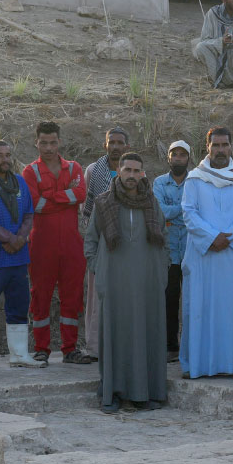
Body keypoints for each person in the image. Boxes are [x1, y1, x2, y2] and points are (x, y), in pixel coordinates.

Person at [83, 152, 168, 413]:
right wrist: (100, 268)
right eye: (127, 170)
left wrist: (159, 273)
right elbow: (91, 241)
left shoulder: (152, 204)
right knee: (116, 335)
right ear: (118, 172)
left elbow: (162, 240)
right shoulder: (104, 202)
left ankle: (145, 392)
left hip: (146, 284)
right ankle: (114, 392)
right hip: (115, 283)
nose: (132, 175)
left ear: (143, 174)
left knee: (146, 334)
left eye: (137, 171)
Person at [179, 128, 233, 379]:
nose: (220, 150)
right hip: (203, 255)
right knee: (201, 307)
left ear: (231, 147)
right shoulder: (195, 178)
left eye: (225, 145)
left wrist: (230, 236)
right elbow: (189, 213)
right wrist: (211, 237)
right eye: (216, 145)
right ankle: (200, 365)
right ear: (207, 147)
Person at [24, 121, 92, 365]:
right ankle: (41, 348)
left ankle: (69, 349)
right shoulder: (30, 172)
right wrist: (66, 196)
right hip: (42, 244)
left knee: (72, 297)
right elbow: (35, 204)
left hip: (72, 245)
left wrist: (50, 196)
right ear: (36, 142)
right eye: (44, 142)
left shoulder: (74, 167)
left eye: (53, 142)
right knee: (40, 296)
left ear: (60, 141)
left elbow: (81, 194)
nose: (49, 147)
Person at [0, 139, 42, 370]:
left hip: (19, 257)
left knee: (19, 305)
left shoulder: (21, 182)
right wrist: (10, 239)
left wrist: (20, 239)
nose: (5, 159)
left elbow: (29, 215)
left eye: (8, 155)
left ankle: (19, 354)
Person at [80, 126, 130, 359]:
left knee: (124, 294)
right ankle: (94, 347)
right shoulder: (93, 170)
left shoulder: (133, 170)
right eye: (112, 142)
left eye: (120, 143)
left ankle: (122, 345)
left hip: (128, 244)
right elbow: (87, 210)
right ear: (105, 145)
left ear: (126, 146)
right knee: (96, 294)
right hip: (100, 242)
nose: (116, 147)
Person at [153, 140, 192, 361]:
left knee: (191, 299)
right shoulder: (159, 183)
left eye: (182, 155)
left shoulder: (196, 181)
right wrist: (185, 208)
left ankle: (190, 344)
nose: (178, 158)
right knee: (169, 299)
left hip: (191, 250)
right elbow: (161, 213)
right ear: (168, 157)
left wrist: (179, 211)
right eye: (174, 154)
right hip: (168, 251)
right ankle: (171, 346)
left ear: (188, 158)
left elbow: (197, 210)